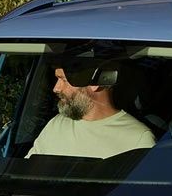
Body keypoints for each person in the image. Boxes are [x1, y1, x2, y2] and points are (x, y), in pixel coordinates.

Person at [26, 55, 154, 160]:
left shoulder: (138, 140)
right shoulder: (56, 125)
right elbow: (28, 173)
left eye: (64, 80)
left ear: (95, 83)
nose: (56, 88)